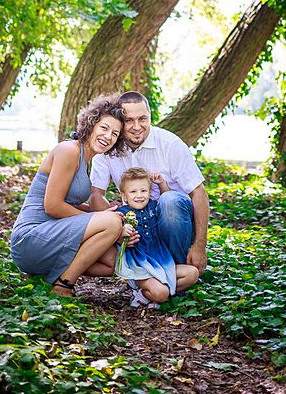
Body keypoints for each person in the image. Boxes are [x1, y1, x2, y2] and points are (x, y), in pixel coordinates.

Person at [10, 93, 128, 297]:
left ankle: (48, 273)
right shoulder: (69, 150)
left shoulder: (87, 160)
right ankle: (63, 285)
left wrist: (101, 211)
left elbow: (67, 202)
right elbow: (53, 206)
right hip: (30, 237)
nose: (108, 136)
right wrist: (101, 219)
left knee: (109, 262)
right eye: (104, 128)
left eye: (115, 134)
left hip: (52, 232)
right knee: (111, 224)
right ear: (91, 124)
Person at [89, 91, 209, 275]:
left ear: (150, 117)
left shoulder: (170, 144)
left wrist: (200, 246)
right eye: (129, 120)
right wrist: (117, 230)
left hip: (176, 223)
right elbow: (97, 194)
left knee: (169, 200)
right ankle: (151, 272)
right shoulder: (108, 147)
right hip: (140, 225)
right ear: (120, 120)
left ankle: (174, 267)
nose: (137, 127)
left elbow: (198, 192)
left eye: (142, 119)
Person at [115, 167, 199, 307]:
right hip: (140, 266)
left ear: (149, 192)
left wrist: (161, 184)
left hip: (161, 262)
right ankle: (142, 293)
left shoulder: (153, 207)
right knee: (161, 293)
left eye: (143, 191)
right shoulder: (121, 213)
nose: (139, 195)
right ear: (124, 196)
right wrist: (121, 230)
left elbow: (169, 204)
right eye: (133, 191)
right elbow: (111, 228)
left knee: (192, 274)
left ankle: (156, 291)